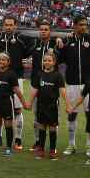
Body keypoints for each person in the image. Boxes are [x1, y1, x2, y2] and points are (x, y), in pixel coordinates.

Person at [59, 16, 90, 156]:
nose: (84, 27)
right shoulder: (67, 41)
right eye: (81, 25)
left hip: (89, 85)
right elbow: (59, 59)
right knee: (72, 114)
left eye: (85, 24)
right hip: (72, 84)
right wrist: (58, 42)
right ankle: (71, 145)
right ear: (75, 26)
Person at [0, 16, 33, 150]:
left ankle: (18, 139)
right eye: (6, 24)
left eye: (11, 24)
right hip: (0, 78)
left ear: (15, 26)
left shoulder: (21, 38)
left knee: (17, 110)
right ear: (3, 26)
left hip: (16, 77)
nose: (8, 27)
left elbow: (32, 48)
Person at [29, 50, 69, 161]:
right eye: (45, 60)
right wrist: (30, 102)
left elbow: (63, 91)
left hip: (53, 106)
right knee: (41, 126)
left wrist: (68, 105)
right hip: (41, 105)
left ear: (54, 62)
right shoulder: (39, 74)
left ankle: (52, 150)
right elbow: (35, 90)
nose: (47, 62)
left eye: (49, 60)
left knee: (52, 127)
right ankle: (41, 149)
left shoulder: (58, 76)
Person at [29, 19, 59, 150]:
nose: (43, 31)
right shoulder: (34, 43)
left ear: (50, 31)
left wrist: (60, 38)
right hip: (36, 84)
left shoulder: (56, 44)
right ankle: (38, 142)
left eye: (46, 29)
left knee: (53, 117)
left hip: (52, 86)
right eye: (41, 29)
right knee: (37, 115)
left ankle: (53, 147)